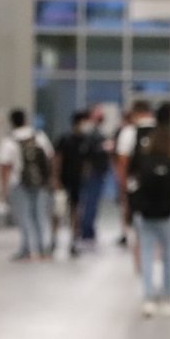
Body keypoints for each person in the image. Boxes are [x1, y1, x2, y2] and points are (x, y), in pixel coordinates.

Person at [129, 103, 170, 317]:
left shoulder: (143, 159)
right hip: (167, 214)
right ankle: (169, 295)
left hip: (145, 214)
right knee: (169, 255)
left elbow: (132, 182)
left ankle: (148, 296)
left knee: (146, 254)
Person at [0, 109, 56, 261]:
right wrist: (52, 179)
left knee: (24, 217)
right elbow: (50, 158)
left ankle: (27, 249)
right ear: (26, 119)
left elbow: (4, 166)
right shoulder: (39, 136)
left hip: (18, 183)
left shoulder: (9, 141)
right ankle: (44, 249)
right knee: (40, 215)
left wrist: (3, 189)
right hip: (41, 182)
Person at [115, 101, 156, 251]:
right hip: (159, 186)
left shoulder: (129, 132)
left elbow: (123, 163)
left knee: (139, 227)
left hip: (137, 186)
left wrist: (123, 187)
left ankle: (141, 264)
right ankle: (157, 256)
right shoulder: (163, 131)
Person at [76, 105, 111, 249]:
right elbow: (87, 153)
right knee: (90, 203)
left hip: (97, 172)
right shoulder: (90, 133)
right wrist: (103, 148)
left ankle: (88, 229)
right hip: (93, 173)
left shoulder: (95, 133)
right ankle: (86, 231)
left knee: (92, 203)